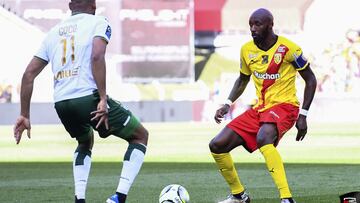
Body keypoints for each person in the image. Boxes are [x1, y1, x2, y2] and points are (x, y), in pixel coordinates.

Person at [13, 1, 148, 203]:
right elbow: (97, 55)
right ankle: (119, 198)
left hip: (62, 103)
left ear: (70, 5)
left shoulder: (53, 33)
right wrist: (103, 98)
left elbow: (28, 75)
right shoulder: (98, 22)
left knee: (85, 141)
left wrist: (24, 114)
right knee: (140, 136)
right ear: (94, 5)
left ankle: (80, 199)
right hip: (88, 98)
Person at [209, 8, 317, 203]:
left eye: (257, 24)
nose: (253, 28)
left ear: (270, 25)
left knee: (264, 137)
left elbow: (311, 80)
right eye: (251, 24)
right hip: (261, 108)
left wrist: (303, 115)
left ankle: (286, 198)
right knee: (217, 145)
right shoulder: (246, 50)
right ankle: (239, 196)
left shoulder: (290, 48)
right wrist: (227, 104)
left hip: (286, 107)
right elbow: (242, 80)